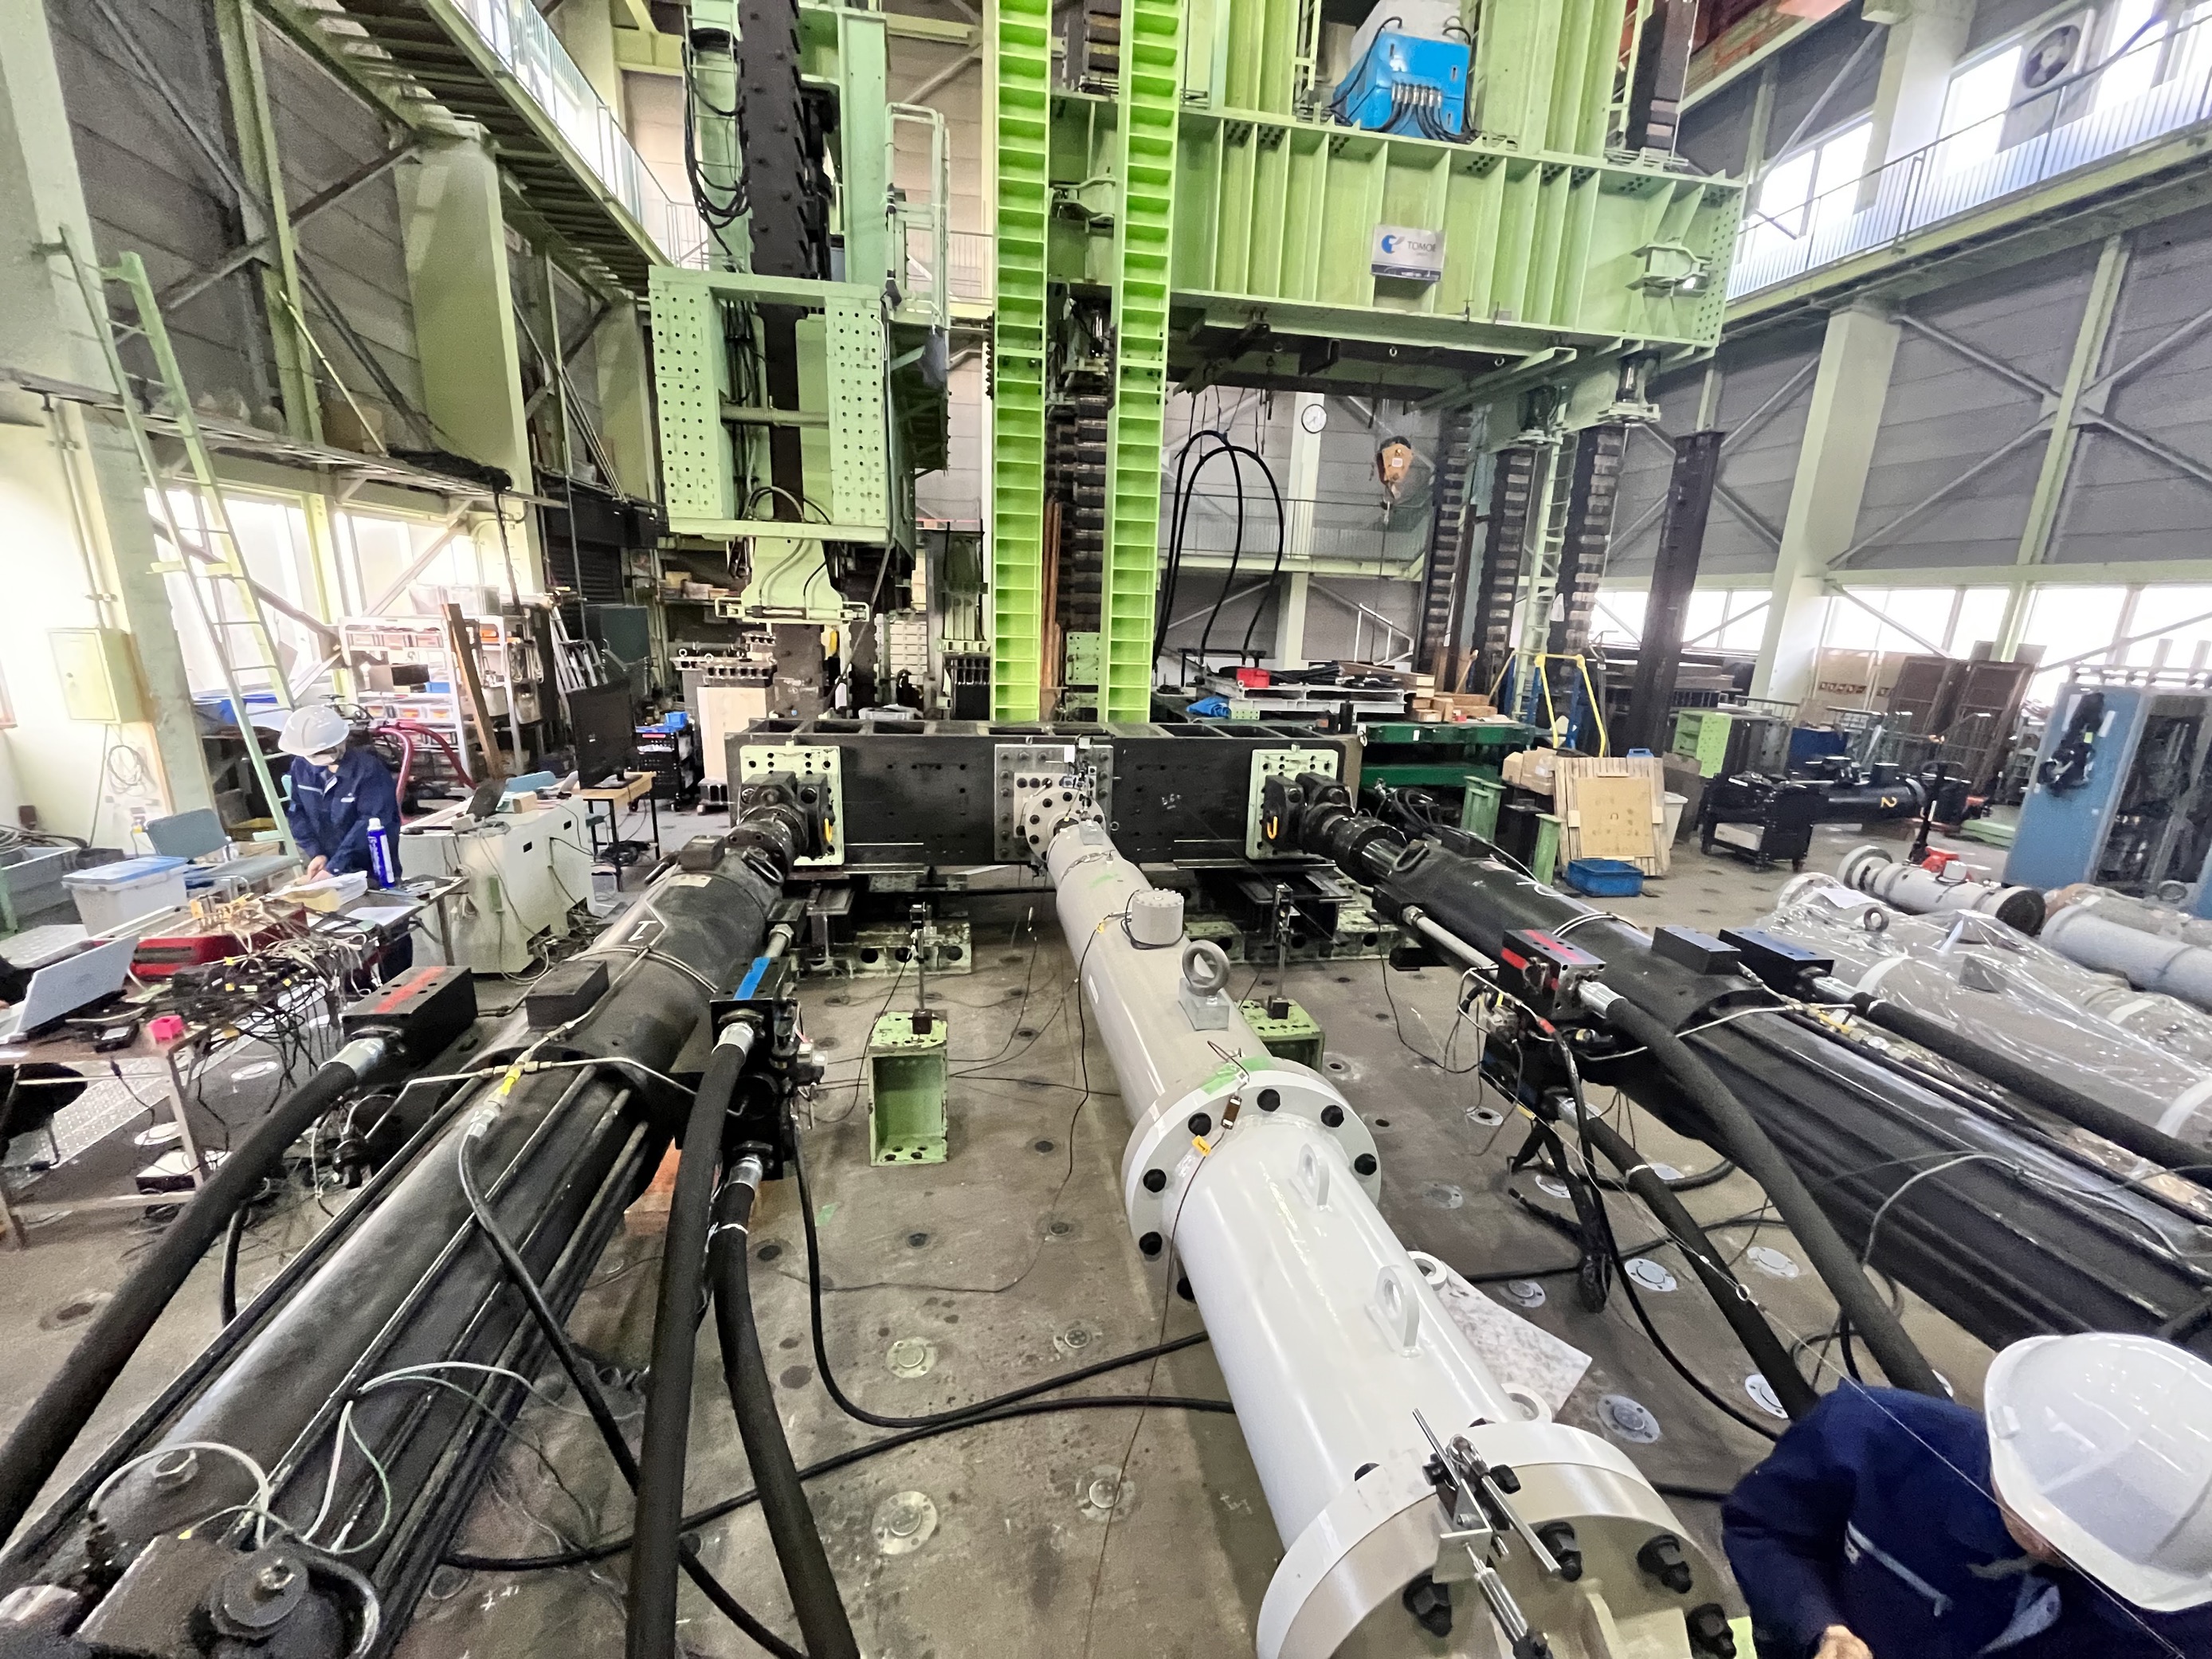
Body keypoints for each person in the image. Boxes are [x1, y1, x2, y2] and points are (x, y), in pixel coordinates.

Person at [1724, 1332, 2212, 1658]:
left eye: (2085, 1538)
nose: (2045, 1542)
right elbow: (1765, 1530)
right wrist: (1819, 1627)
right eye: (2034, 1512)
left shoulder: (2181, 1605)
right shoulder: (1871, 1435)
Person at [275, 704, 410, 976]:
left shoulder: (369, 771)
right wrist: (316, 853)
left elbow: (371, 823)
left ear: (341, 742)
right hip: (327, 864)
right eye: (311, 754)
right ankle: (357, 991)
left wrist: (335, 866)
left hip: (373, 863)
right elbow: (298, 813)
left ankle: (401, 987)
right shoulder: (301, 767)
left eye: (322, 751)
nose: (316, 758)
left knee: (390, 931)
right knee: (341, 938)